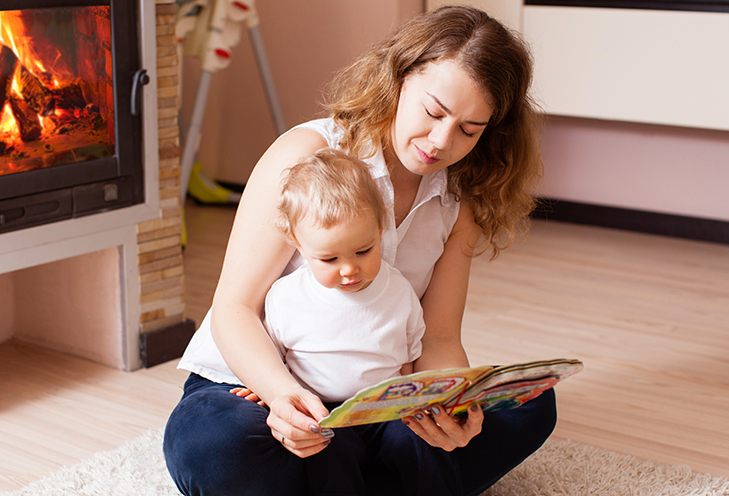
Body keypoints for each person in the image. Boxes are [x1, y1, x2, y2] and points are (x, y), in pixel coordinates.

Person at [164, 5, 557, 496]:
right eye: (433, 112)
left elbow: (435, 338)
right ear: (399, 78)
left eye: (468, 129)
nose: (440, 141)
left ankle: (344, 476)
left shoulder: (460, 200)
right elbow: (234, 308)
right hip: (260, 385)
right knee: (217, 450)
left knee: (530, 404)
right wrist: (282, 396)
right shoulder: (306, 156)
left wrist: (452, 410)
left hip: (376, 402)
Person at [263, 148, 425, 403]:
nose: (349, 269)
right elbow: (271, 358)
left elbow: (408, 359)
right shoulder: (286, 297)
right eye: (329, 259)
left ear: (380, 228)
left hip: (381, 412)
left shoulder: (399, 292)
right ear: (299, 246)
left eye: (363, 251)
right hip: (316, 411)